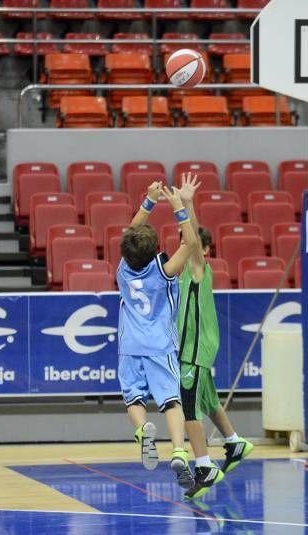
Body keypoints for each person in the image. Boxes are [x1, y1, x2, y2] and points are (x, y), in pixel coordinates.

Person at [117, 173, 199, 490]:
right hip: (159, 345)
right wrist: (178, 205)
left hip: (129, 345)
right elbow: (191, 243)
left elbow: (131, 231)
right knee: (171, 402)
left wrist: (149, 200)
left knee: (133, 399)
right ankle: (179, 450)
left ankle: (142, 432)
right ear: (154, 250)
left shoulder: (123, 268)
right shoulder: (164, 270)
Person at [176, 222, 253, 500]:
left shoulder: (198, 268)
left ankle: (205, 466)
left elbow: (191, 237)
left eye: (188, 240)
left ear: (204, 249)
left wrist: (184, 204)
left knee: (187, 410)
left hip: (194, 353)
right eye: (180, 240)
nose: (183, 244)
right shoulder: (182, 272)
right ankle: (234, 443)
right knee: (209, 403)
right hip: (189, 351)